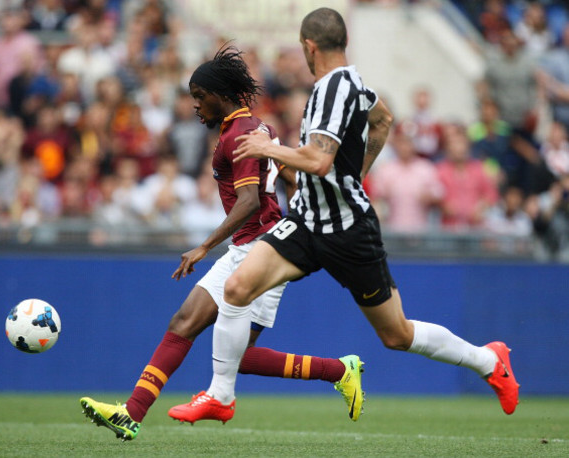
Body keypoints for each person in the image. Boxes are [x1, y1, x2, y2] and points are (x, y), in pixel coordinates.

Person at [168, 8, 519, 425]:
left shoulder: (334, 89)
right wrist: (355, 175)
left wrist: (269, 149)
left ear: (309, 46)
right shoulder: (354, 86)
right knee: (238, 286)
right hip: (306, 220)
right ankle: (220, 396)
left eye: (303, 49)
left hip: (348, 230)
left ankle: (487, 360)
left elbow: (317, 161)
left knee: (396, 334)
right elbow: (383, 121)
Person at [79, 46, 365, 441]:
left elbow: (248, 202)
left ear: (221, 93)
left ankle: (338, 370)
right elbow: (289, 178)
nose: (196, 105)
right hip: (251, 245)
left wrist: (203, 246)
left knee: (226, 350)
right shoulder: (253, 128)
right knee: (194, 328)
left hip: (265, 250)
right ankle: (131, 413)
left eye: (200, 96)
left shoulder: (241, 135)